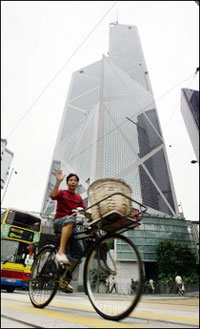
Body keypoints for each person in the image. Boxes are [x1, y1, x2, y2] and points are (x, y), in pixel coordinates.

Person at [50, 170, 86, 291]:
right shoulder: (62, 192)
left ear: (77, 184)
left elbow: (85, 211)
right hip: (59, 222)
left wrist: (91, 218)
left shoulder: (79, 198)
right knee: (71, 219)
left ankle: (64, 278)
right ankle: (61, 252)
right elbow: (53, 196)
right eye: (71, 180)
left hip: (71, 225)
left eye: (75, 180)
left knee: (80, 250)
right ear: (67, 182)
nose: (73, 182)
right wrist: (58, 182)